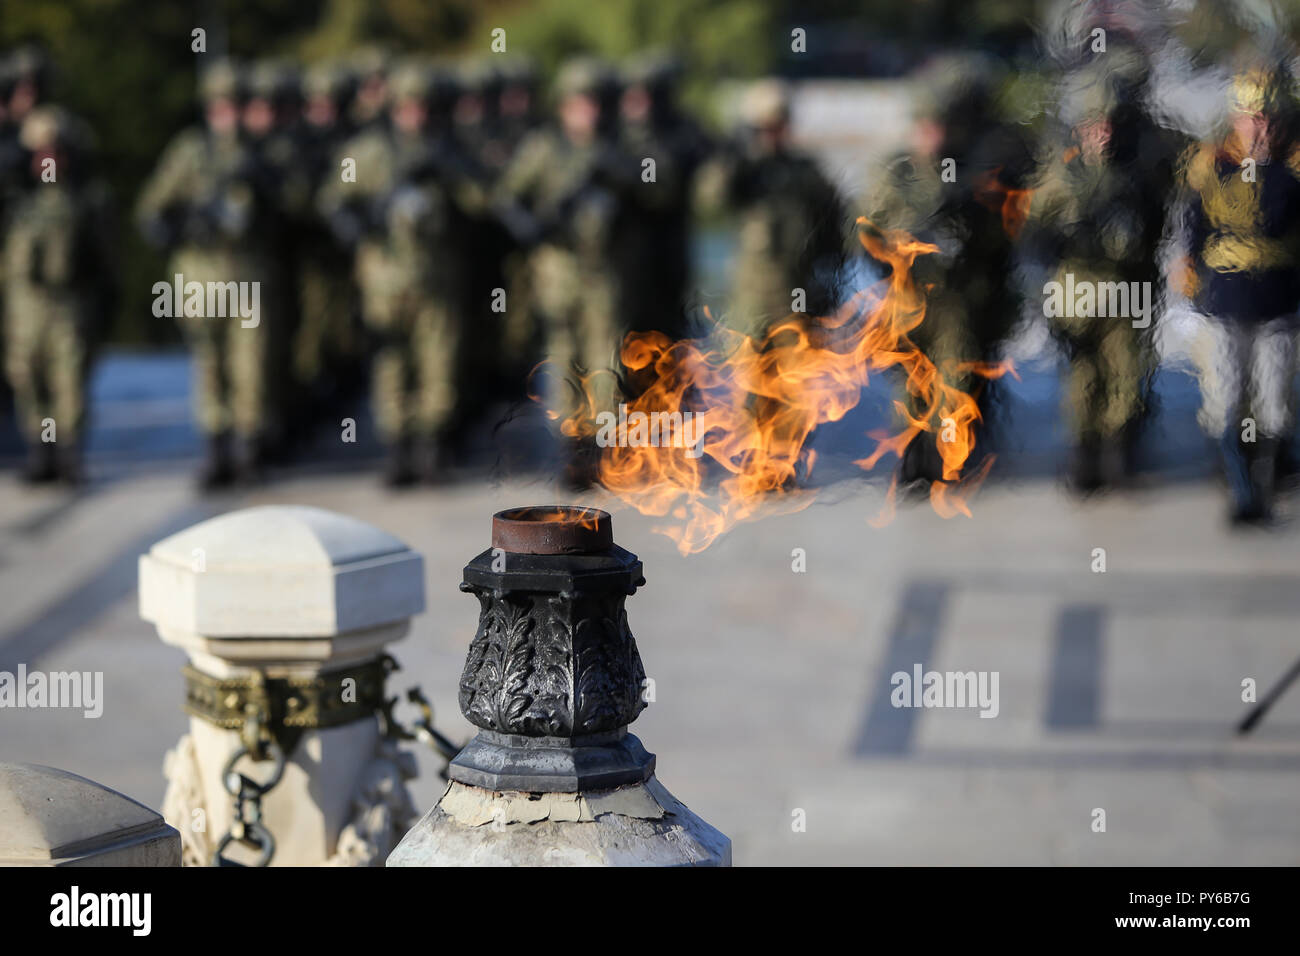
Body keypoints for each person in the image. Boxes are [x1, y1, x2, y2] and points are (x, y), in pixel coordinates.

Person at [865, 55, 1035, 487]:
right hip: (907, 301)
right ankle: (913, 463)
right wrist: (905, 242)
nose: (931, 135)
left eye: (938, 126)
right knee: (910, 390)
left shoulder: (976, 170)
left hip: (957, 301)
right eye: (925, 126)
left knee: (954, 384)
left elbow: (1004, 234)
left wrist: (968, 225)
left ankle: (947, 463)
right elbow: (867, 232)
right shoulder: (896, 174)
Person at [320, 59, 484, 485]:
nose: (417, 116)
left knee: (440, 364)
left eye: (425, 108)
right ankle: (398, 449)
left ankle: (432, 448)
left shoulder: (449, 150)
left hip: (438, 281)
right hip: (384, 282)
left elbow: (485, 202)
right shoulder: (368, 153)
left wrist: (450, 169)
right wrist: (367, 219)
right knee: (390, 365)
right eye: (409, 107)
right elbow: (334, 202)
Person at [1028, 45, 1184, 491]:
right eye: (1094, 127)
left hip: (1127, 286)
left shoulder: (1140, 166)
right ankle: (1085, 456)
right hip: (1075, 288)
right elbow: (1034, 233)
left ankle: (1118, 454)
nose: (1103, 136)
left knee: (1126, 375)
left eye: (1108, 126)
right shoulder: (1060, 176)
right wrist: (1064, 242)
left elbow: (1159, 219)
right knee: (1083, 376)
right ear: (1080, 130)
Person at [136, 59, 281, 487]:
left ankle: (249, 452)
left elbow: (289, 209)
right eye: (222, 105)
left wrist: (263, 187)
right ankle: (217, 453)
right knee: (210, 366)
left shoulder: (260, 151)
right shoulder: (190, 151)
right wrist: (191, 220)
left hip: (249, 278)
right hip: (201, 276)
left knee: (251, 367)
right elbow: (152, 212)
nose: (230, 114)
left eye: (237, 104)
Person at [496, 57, 634, 485]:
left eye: (593, 103)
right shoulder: (544, 149)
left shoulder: (617, 148)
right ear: (564, 106)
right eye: (579, 103)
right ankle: (572, 451)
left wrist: (615, 173)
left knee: (606, 363)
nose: (586, 112)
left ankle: (600, 450)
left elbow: (655, 190)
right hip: (559, 272)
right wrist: (534, 226)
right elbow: (507, 197)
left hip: (603, 274)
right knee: (564, 362)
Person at [1180, 64, 1300, 524]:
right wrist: (1190, 286)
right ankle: (1240, 491)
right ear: (1235, 121)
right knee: (1224, 403)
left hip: (1279, 309)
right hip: (1224, 306)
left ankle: (1265, 491)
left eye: (1267, 118)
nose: (1259, 127)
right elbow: (1192, 236)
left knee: (1274, 407)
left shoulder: (1291, 174)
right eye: (1250, 117)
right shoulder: (1212, 171)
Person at [3, 106, 115, 483]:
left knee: (67, 381)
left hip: (69, 304)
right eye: (40, 154)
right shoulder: (20, 198)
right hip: (25, 306)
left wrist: (102, 307)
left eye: (54, 152)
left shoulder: (85, 199)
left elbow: (106, 262)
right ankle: (41, 452)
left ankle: (68, 455)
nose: (47, 160)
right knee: (28, 377)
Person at [698, 79, 846, 342]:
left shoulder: (805, 171)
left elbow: (836, 224)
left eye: (778, 126)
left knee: (796, 378)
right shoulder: (743, 169)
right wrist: (733, 158)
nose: (773, 135)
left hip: (797, 294)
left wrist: (829, 281)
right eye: (765, 128)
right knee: (748, 376)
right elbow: (709, 199)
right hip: (751, 298)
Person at [613, 52, 710, 342]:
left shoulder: (683, 134)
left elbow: (665, 186)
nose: (638, 103)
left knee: (672, 336)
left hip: (670, 250)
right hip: (626, 258)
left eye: (647, 94)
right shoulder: (619, 136)